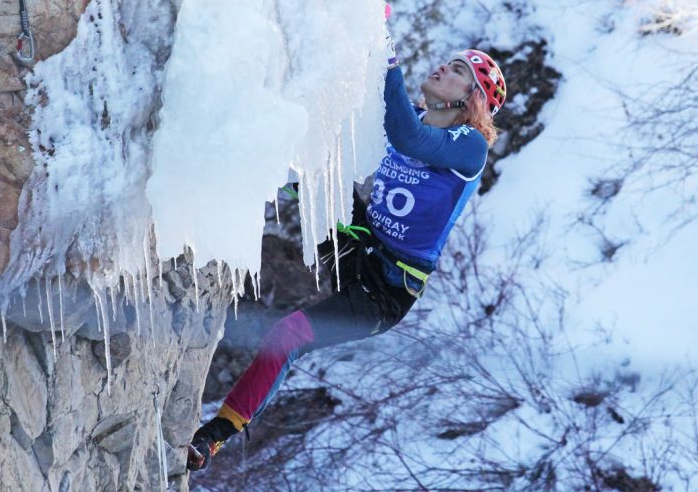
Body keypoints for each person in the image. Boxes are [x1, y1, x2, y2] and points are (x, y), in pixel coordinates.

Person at [186, 45, 507, 472]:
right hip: (363, 241)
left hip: (387, 289)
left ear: (472, 100)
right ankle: (213, 146)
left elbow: (409, 137)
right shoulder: (412, 115)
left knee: (288, 336)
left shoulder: (470, 147)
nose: (445, 66)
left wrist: (389, 58)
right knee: (306, 168)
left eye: (459, 71)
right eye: (450, 61)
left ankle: (214, 437)